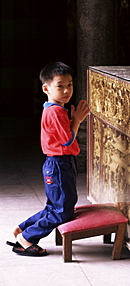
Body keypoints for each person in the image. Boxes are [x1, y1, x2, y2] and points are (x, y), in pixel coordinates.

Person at [7, 61, 90, 256]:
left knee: (55, 206)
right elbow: (68, 139)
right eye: (60, 86)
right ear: (46, 88)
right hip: (59, 164)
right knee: (62, 211)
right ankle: (27, 238)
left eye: (69, 85)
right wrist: (77, 120)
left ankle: (21, 229)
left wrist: (72, 120)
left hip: (58, 163)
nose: (66, 90)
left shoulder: (55, 109)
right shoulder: (55, 111)